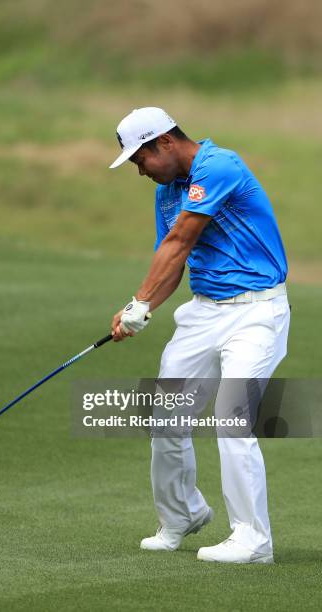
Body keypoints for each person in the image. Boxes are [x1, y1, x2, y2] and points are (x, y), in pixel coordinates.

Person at [109, 107, 290, 564]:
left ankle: (252, 539)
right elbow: (172, 261)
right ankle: (182, 514)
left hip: (256, 312)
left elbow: (180, 242)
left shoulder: (220, 166)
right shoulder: (167, 193)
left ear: (165, 142)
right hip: (203, 313)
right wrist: (144, 307)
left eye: (140, 159)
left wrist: (139, 302)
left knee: (232, 416)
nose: (139, 170)